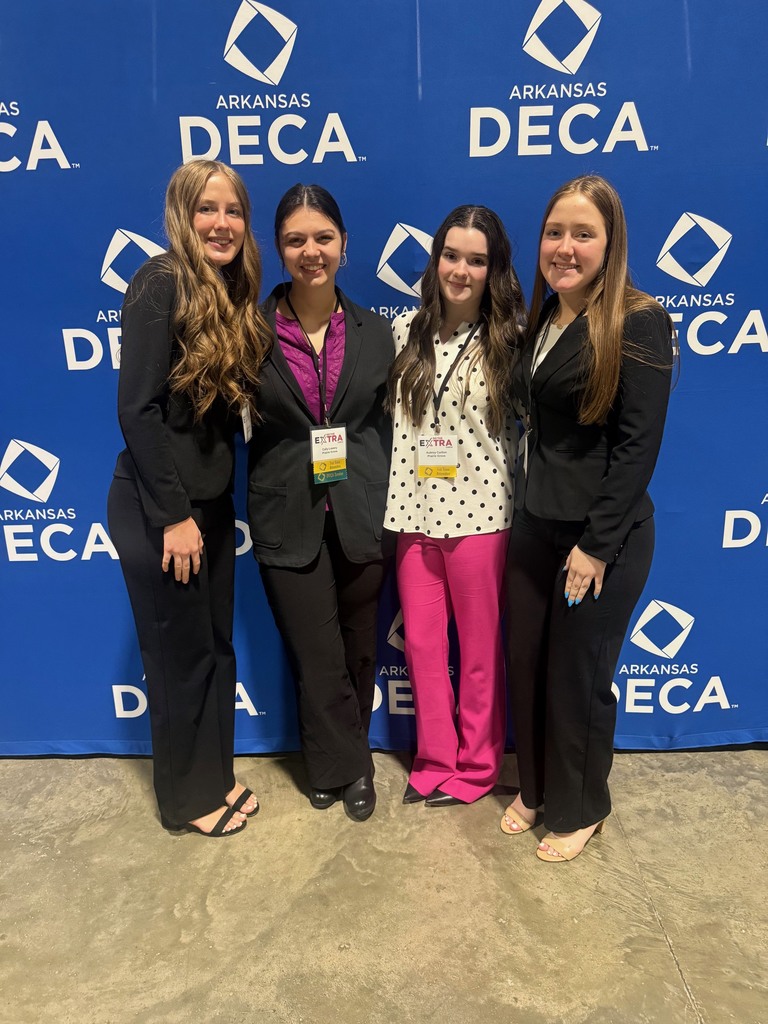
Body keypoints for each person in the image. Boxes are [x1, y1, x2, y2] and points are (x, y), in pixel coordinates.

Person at [502, 174, 674, 861]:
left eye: (583, 234)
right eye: (554, 233)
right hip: (534, 525)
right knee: (529, 664)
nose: (564, 247)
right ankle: (539, 786)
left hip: (601, 539)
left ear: (612, 242)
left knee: (578, 673)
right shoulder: (546, 315)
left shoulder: (638, 320)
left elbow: (638, 447)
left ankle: (582, 806)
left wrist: (597, 546)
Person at [108, 159, 271, 837]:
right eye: (207, 209)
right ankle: (186, 803)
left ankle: (216, 777)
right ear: (182, 215)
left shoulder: (228, 295)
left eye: (233, 210)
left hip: (206, 508)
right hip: (161, 511)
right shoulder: (160, 282)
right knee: (178, 662)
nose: (222, 223)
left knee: (213, 653)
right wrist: (173, 514)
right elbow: (137, 410)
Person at [246, 184, 393, 822]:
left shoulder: (376, 332)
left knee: (360, 649)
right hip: (287, 514)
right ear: (278, 250)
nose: (311, 251)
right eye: (295, 240)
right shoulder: (247, 332)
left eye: (323, 238)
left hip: (362, 508)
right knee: (317, 652)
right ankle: (348, 767)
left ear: (343, 245)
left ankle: (334, 761)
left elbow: (387, 425)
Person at [385, 206, 526, 806]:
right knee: (421, 647)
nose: (460, 269)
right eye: (451, 255)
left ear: (492, 269)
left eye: (475, 259)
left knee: (477, 653)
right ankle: (433, 758)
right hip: (412, 518)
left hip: (481, 518)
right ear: (435, 257)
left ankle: (476, 767)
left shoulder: (510, 341)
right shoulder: (402, 331)